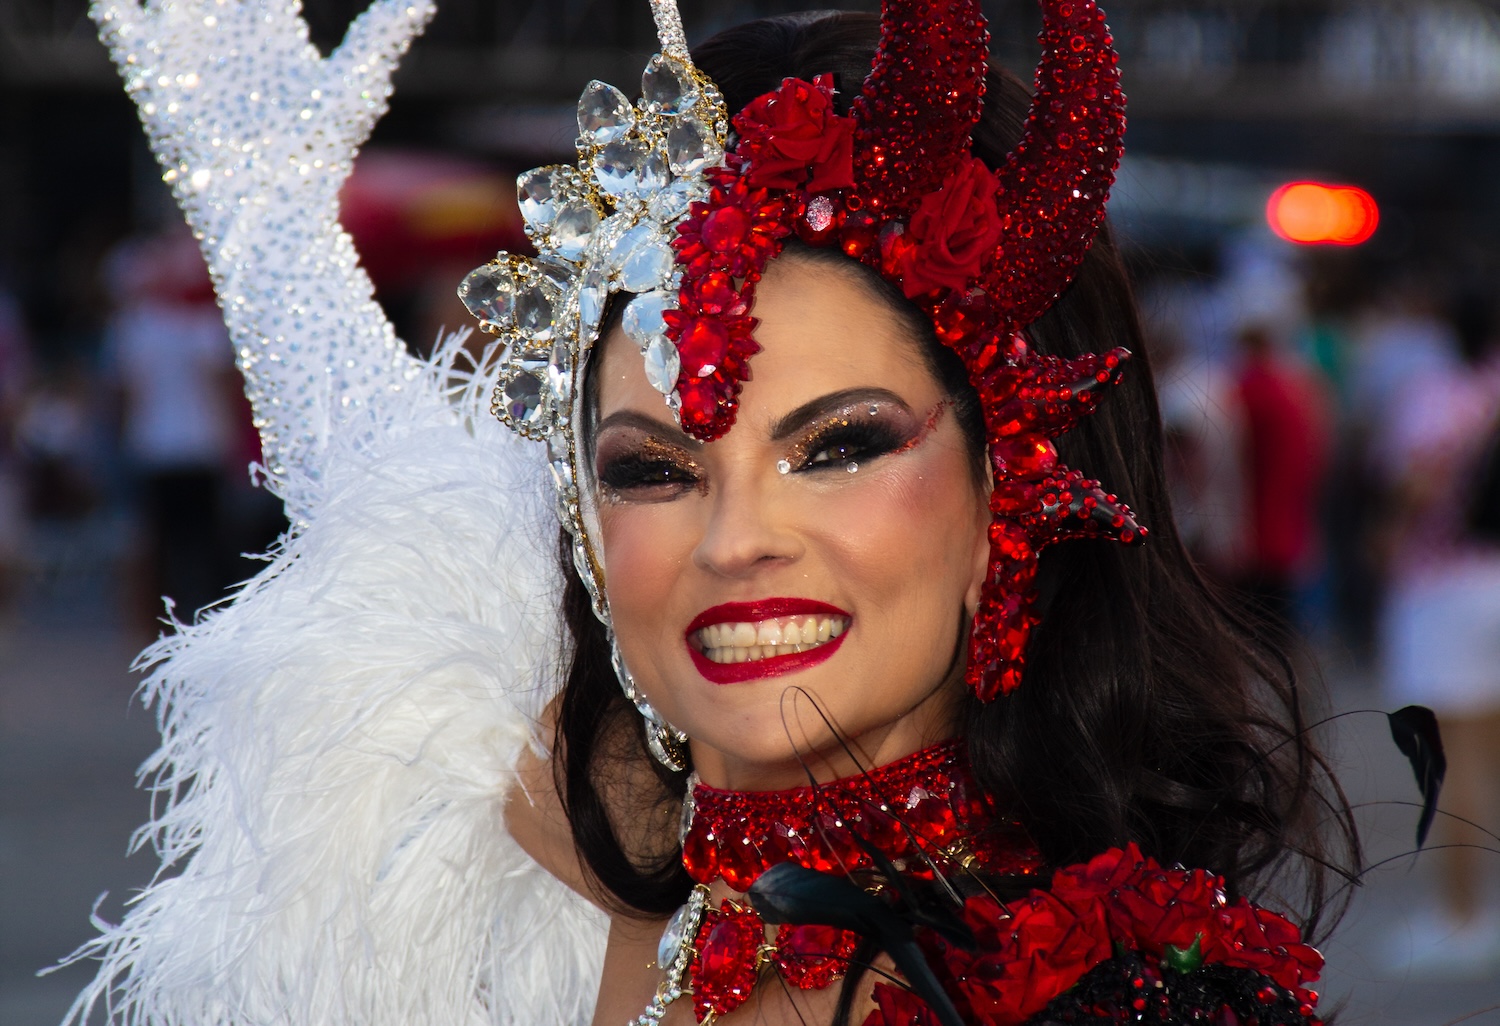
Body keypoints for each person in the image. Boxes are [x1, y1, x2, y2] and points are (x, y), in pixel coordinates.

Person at [66, 1, 1356, 1025]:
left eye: (839, 447)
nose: (735, 540)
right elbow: (389, 540)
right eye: (653, 471)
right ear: (583, 519)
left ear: (1005, 499)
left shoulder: (1119, 996)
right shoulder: (613, 868)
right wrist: (273, 242)